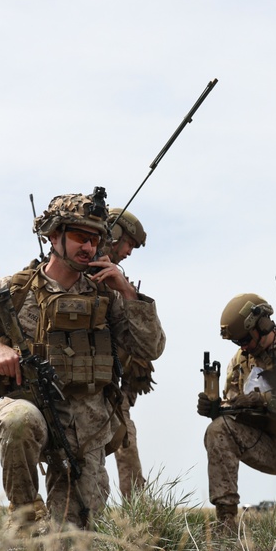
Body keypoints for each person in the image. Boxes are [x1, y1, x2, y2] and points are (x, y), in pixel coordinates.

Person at [0, 190, 166, 533]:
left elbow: (151, 347)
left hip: (88, 431)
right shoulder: (11, 292)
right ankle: (23, 516)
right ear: (53, 236)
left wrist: (127, 292)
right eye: (81, 237)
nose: (89, 247)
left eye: (95, 239)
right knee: (17, 420)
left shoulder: (106, 294)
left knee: (77, 539)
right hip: (33, 412)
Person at [197, 293, 276, 530]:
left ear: (262, 324)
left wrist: (267, 400)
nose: (243, 347)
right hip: (266, 444)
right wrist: (216, 408)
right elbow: (233, 404)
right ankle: (226, 521)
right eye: (237, 343)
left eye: (245, 340)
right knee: (218, 430)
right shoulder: (241, 361)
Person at [104, 208, 157, 500]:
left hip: (111, 385)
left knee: (125, 443)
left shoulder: (116, 281)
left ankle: (137, 512)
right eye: (129, 245)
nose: (129, 253)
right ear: (114, 235)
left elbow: (149, 343)